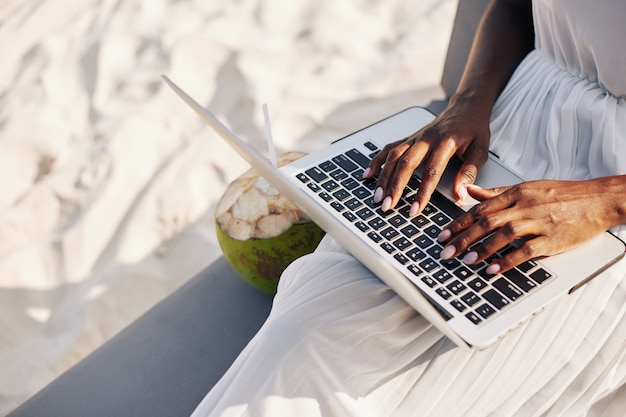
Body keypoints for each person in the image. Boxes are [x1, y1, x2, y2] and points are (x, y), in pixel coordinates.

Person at [192, 0, 626, 415]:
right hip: (507, 121)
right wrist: (466, 102)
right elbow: (514, 5)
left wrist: (603, 201)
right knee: (302, 342)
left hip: (611, 204)